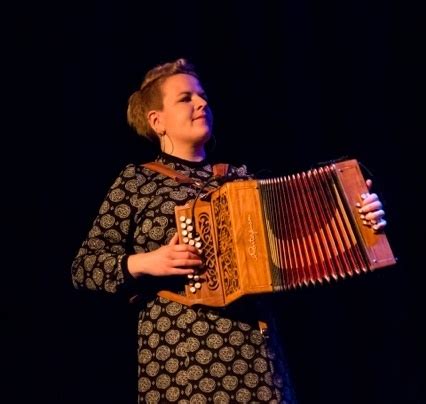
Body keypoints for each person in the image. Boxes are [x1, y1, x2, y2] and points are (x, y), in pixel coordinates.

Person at [71, 58, 387, 403]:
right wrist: (146, 262)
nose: (201, 103)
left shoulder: (241, 181)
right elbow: (85, 266)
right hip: (179, 359)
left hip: (257, 359)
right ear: (156, 121)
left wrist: (360, 221)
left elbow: (301, 249)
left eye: (202, 96)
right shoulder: (136, 181)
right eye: (185, 98)